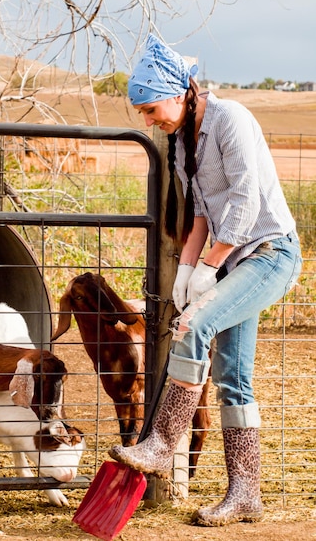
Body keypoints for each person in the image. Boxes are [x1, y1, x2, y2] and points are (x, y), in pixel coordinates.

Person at [109, 34, 302, 526]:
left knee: (192, 327)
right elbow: (199, 211)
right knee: (233, 379)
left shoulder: (230, 119)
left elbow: (244, 203)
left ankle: (160, 445)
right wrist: (190, 268)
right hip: (232, 260)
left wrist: (212, 266)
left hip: (268, 253)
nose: (149, 121)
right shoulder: (181, 140)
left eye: (151, 109)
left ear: (177, 92)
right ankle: (245, 496)